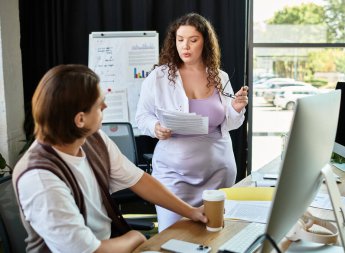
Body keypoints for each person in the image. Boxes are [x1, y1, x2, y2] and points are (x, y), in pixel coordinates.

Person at [12, 64, 207, 253]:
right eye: (99, 104)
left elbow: (139, 179)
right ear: (80, 119)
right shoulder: (39, 177)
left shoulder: (92, 139)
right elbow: (88, 251)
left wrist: (191, 211)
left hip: (111, 242)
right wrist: (135, 238)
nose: (105, 105)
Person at [135, 13, 249, 231]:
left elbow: (231, 124)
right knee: (172, 237)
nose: (185, 46)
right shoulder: (158, 77)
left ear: (205, 42)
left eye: (193, 40)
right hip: (173, 176)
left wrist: (235, 109)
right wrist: (155, 128)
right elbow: (142, 117)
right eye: (180, 39)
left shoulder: (220, 77)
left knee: (213, 236)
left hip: (219, 173)